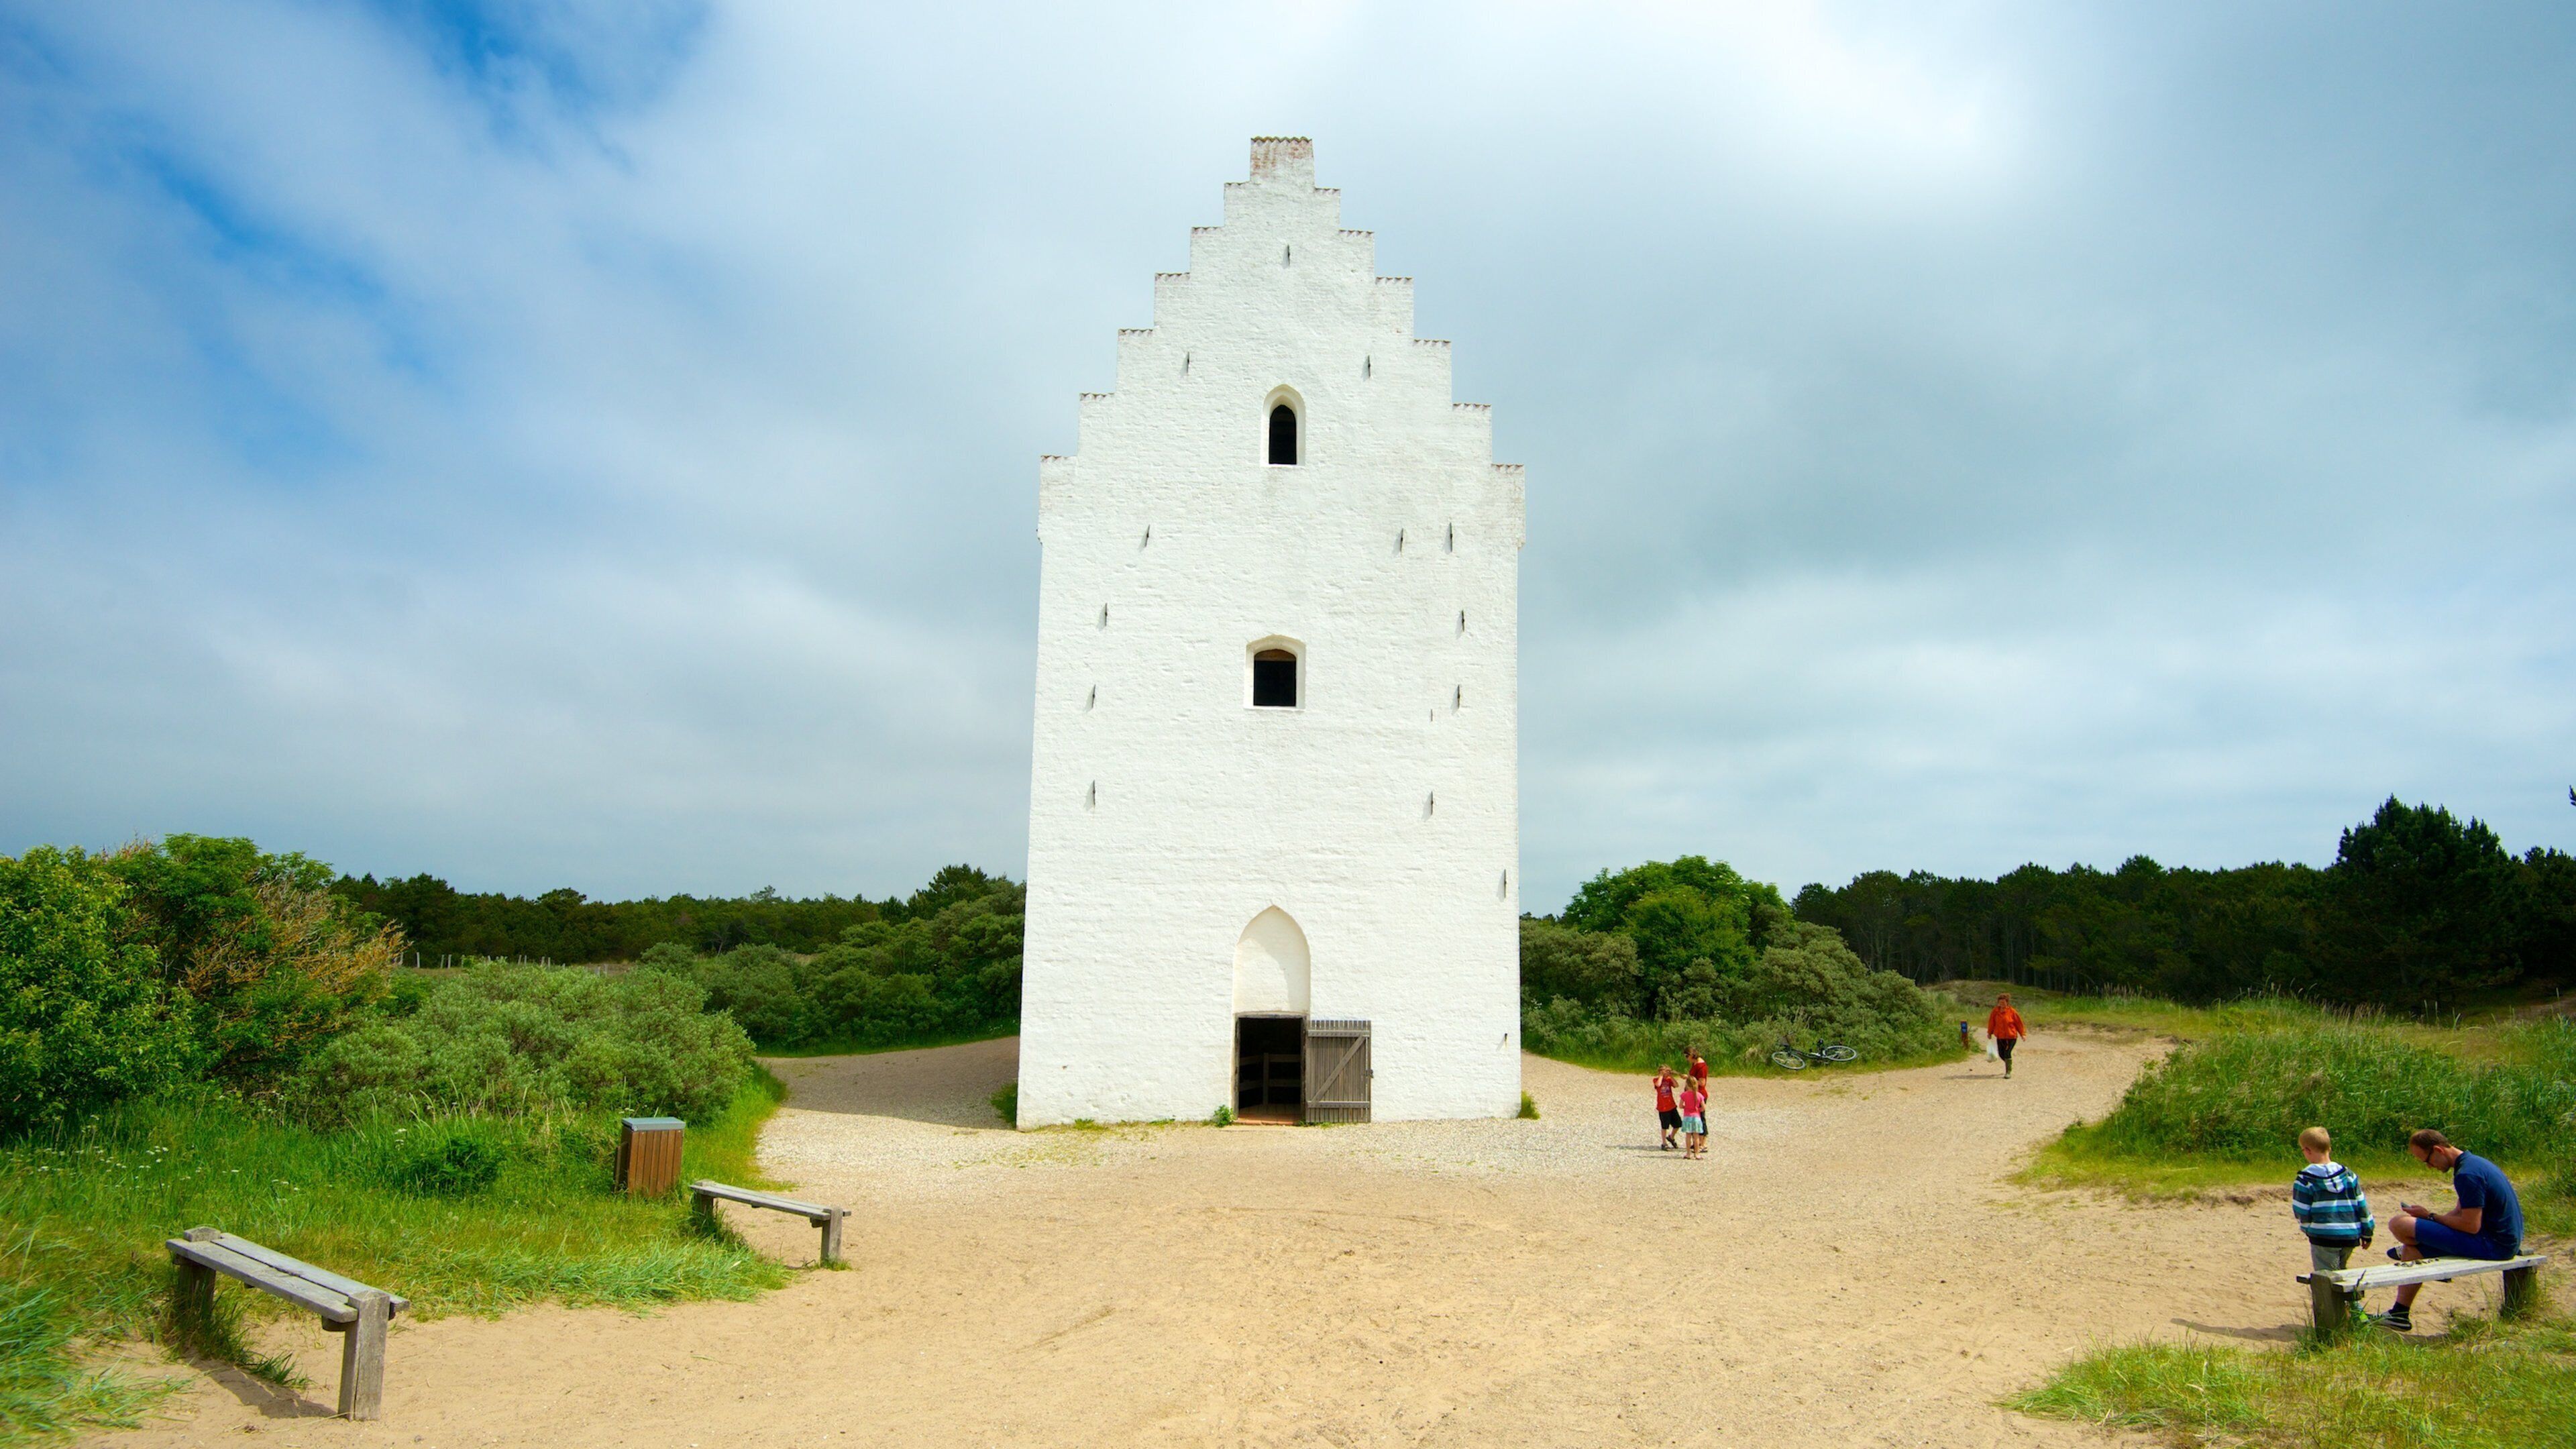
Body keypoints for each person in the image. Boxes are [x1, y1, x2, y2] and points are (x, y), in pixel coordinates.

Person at [2375, 1129, 2524, 1333]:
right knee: (2411, 1250)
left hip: (2495, 1245)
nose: (2429, 1167)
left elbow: (2471, 1226)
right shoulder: (2474, 1163)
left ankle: (2425, 1250)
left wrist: (2430, 1217)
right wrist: (2431, 1221)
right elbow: (2459, 1212)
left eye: (2427, 1160)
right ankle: (2399, 1314)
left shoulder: (2467, 1175)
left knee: (2399, 1224)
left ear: (2438, 1150)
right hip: (2503, 1240)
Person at [2290, 1126, 2372, 1317]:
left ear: (2307, 1150)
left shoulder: (2305, 1178)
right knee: (2343, 1273)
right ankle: (2356, 1314)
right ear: (2329, 1148)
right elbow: (2362, 1205)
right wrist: (2367, 1231)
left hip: (2323, 1236)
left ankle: (2338, 1318)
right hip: (2350, 1235)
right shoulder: (2349, 1175)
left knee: (2327, 1279)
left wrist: (2308, 1228)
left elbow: (2301, 1210)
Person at [1986, 994, 2027, 1077]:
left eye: (2003, 1002)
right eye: (2000, 1002)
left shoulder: (2012, 1012)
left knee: (2007, 1053)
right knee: (2001, 1054)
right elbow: (1992, 1023)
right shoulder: (1995, 1011)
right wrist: (1990, 1033)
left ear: (2007, 1002)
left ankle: (2008, 1072)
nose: (2002, 1004)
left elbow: (2019, 1024)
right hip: (2000, 1037)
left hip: (2011, 1036)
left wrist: (2023, 1034)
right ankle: (2009, 1064)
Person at [1676, 1077, 1708, 1160]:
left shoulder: (1684, 1095)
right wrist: (1698, 1109)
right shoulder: (1699, 1095)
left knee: (1688, 1136)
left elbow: (1680, 1106)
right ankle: (1697, 1153)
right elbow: (1704, 1108)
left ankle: (1688, 1154)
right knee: (1696, 1136)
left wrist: (1686, 1107)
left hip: (1687, 1117)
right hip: (1696, 1117)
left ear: (1687, 1084)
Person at [1652, 1067, 1682, 1152]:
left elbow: (1676, 1085)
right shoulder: (1656, 1080)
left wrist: (1671, 1076)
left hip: (1672, 1106)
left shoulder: (1669, 1080)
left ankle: (1671, 1137)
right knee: (1665, 1126)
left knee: (1678, 1124)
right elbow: (1658, 1085)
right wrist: (1661, 1076)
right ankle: (1664, 1143)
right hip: (1663, 1107)